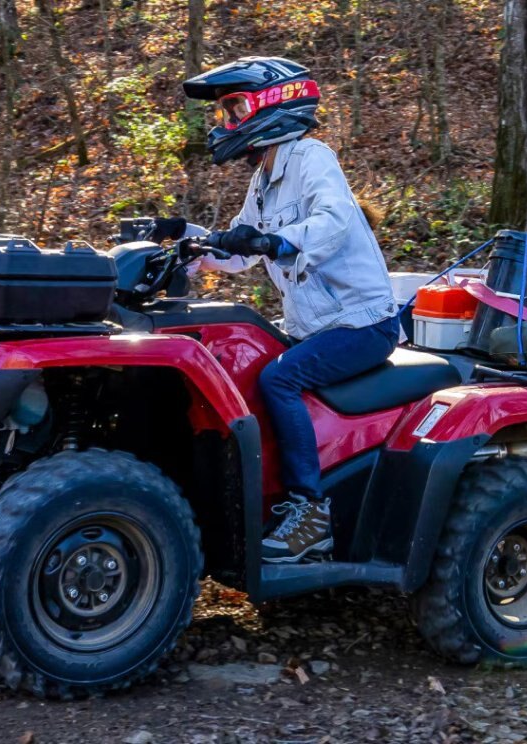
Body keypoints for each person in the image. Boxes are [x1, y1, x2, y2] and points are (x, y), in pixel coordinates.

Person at [150, 57, 399, 564]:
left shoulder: (310, 156)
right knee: (243, 365)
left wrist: (275, 239)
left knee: (279, 380)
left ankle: (310, 514)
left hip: (363, 322)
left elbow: (332, 222)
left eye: (234, 108)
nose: (226, 122)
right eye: (223, 112)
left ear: (276, 105)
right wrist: (188, 243)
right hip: (314, 326)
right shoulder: (263, 178)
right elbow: (241, 251)